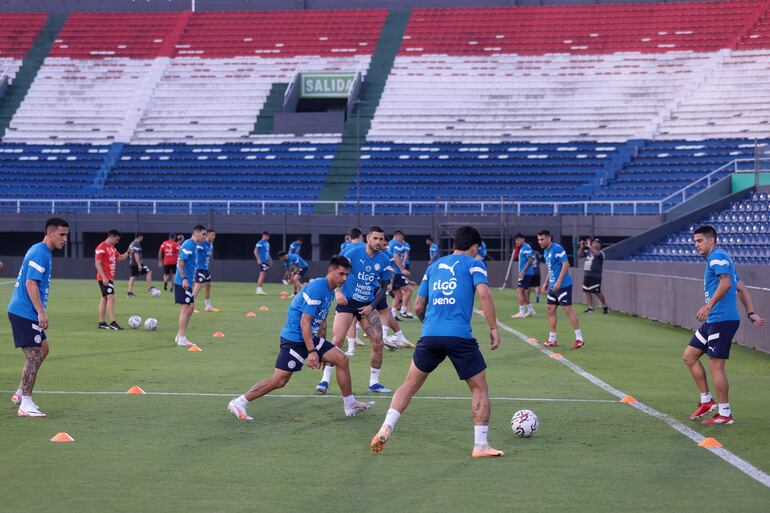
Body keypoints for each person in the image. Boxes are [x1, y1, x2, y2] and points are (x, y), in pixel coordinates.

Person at [370, 225, 503, 458]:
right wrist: (493, 328)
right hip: (460, 336)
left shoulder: (434, 267)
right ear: (475, 247)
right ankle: (480, 445)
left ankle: (386, 426)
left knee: (409, 384)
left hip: (430, 334)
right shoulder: (475, 264)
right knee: (479, 388)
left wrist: (428, 325)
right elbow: (484, 294)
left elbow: (419, 305)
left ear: (454, 245)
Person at [227, 256, 374, 420]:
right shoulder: (318, 287)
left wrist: (322, 347)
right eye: (341, 274)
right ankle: (240, 402)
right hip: (294, 340)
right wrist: (312, 351)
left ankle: (350, 404)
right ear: (331, 271)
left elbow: (320, 322)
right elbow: (305, 321)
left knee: (342, 359)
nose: (344, 278)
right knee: (279, 381)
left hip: (309, 338)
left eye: (347, 275)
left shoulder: (330, 292)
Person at [683, 226, 765, 425]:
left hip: (722, 320)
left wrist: (708, 306)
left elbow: (726, 283)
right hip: (714, 321)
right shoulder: (723, 258)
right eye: (695, 241)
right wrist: (751, 312)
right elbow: (741, 287)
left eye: (700, 241)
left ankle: (725, 413)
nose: (696, 245)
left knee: (716, 367)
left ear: (712, 241)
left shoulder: (717, 256)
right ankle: (707, 401)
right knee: (689, 356)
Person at [316, 226, 392, 394]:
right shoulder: (352, 253)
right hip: (348, 302)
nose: (378, 242)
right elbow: (335, 271)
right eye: (375, 238)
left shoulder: (385, 259)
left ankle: (374, 383)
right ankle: (324, 380)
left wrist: (372, 306)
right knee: (337, 341)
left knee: (378, 341)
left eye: (381, 239)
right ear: (367, 238)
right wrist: (338, 292)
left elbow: (384, 286)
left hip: (366, 304)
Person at [8, 218, 69, 417]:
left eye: (66, 235)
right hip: (25, 312)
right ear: (49, 233)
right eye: (61, 234)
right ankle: (25, 403)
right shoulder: (40, 252)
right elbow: (30, 284)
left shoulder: (42, 251)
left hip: (26, 311)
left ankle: (20, 392)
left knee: (44, 349)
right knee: (33, 355)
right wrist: (41, 312)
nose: (65, 239)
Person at [537, 230, 584, 349]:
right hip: (553, 286)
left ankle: (579, 338)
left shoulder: (557, 248)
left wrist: (558, 282)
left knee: (567, 310)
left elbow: (565, 265)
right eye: (538, 239)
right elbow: (551, 268)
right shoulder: (546, 251)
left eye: (542, 239)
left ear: (549, 238)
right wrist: (546, 282)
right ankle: (552, 339)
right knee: (550, 310)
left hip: (563, 285)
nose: (540, 242)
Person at [174, 225, 206, 347]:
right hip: (182, 283)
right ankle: (182, 337)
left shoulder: (193, 245)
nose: (204, 237)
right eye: (203, 234)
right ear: (196, 233)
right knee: (186, 308)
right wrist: (184, 279)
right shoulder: (189, 244)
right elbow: (181, 262)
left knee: (191, 308)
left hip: (187, 283)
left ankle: (179, 335)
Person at [95, 229, 129, 330]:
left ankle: (101, 322)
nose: (117, 242)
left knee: (104, 298)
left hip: (109, 278)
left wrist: (128, 252)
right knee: (111, 298)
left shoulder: (112, 248)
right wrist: (104, 277)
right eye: (117, 239)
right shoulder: (101, 247)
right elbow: (97, 263)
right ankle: (112, 322)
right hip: (104, 278)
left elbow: (120, 258)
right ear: (112, 237)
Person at [578, 238, 608, 314]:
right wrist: (582, 246)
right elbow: (580, 254)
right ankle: (590, 307)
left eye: (597, 243)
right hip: (587, 274)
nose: (595, 244)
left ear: (600, 245)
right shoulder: (588, 251)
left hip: (595, 276)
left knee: (597, 292)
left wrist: (590, 246)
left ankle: (604, 305)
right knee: (587, 291)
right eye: (594, 242)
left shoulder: (601, 253)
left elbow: (596, 254)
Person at [389, 231, 413, 320]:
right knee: (409, 290)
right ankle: (403, 311)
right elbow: (396, 256)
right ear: (398, 237)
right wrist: (402, 269)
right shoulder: (397, 244)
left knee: (398, 294)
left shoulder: (389, 244)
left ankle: (393, 314)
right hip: (396, 272)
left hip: (391, 271)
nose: (402, 240)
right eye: (402, 238)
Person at [193, 228, 218, 312]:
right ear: (207, 235)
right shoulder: (201, 244)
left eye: (214, 235)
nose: (214, 237)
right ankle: (191, 306)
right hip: (199, 268)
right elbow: (195, 250)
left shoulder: (210, 245)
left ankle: (208, 306)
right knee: (198, 285)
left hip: (205, 269)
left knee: (208, 286)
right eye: (212, 235)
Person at [512, 233, 536, 318]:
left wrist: (523, 271)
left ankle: (521, 312)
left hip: (526, 274)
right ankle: (530, 310)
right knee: (523, 292)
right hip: (525, 273)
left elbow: (530, 259)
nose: (516, 242)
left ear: (523, 239)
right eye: (515, 240)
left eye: (518, 240)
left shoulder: (526, 247)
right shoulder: (522, 248)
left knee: (519, 291)